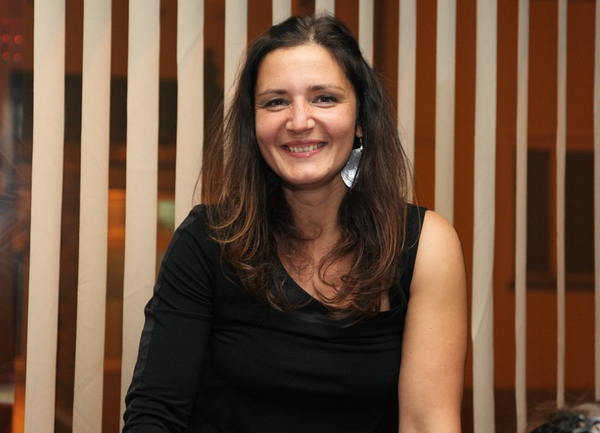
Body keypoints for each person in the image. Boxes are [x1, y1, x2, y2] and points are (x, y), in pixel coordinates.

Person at [123, 14, 467, 433]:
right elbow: (155, 416)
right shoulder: (207, 240)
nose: (299, 121)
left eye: (324, 98)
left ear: (361, 119)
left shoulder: (425, 245)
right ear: (253, 125)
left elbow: (428, 422)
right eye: (276, 102)